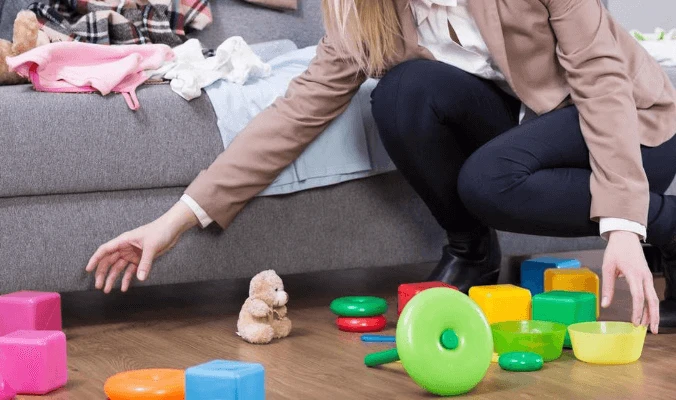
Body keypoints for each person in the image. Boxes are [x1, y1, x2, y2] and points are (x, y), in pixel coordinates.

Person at [85, 0, 676, 334]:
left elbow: (601, 79)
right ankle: (473, 252)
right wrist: (174, 221)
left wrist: (623, 226)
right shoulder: (361, 8)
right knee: (401, 93)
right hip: (526, 125)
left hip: (630, 118)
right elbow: (297, 110)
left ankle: (665, 226)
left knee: (487, 181)